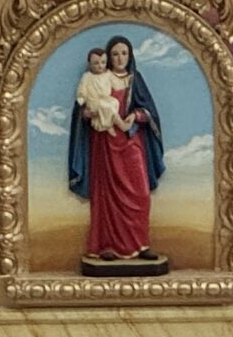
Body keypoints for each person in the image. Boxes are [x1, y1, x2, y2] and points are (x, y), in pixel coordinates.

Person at [68, 36, 165, 265]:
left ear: (130, 56)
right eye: (115, 54)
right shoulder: (98, 78)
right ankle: (107, 245)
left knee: (139, 193)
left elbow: (149, 111)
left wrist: (137, 115)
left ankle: (141, 244)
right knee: (107, 196)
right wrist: (86, 114)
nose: (120, 58)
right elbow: (82, 108)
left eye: (124, 53)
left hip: (131, 141)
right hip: (105, 144)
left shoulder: (135, 79)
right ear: (107, 57)